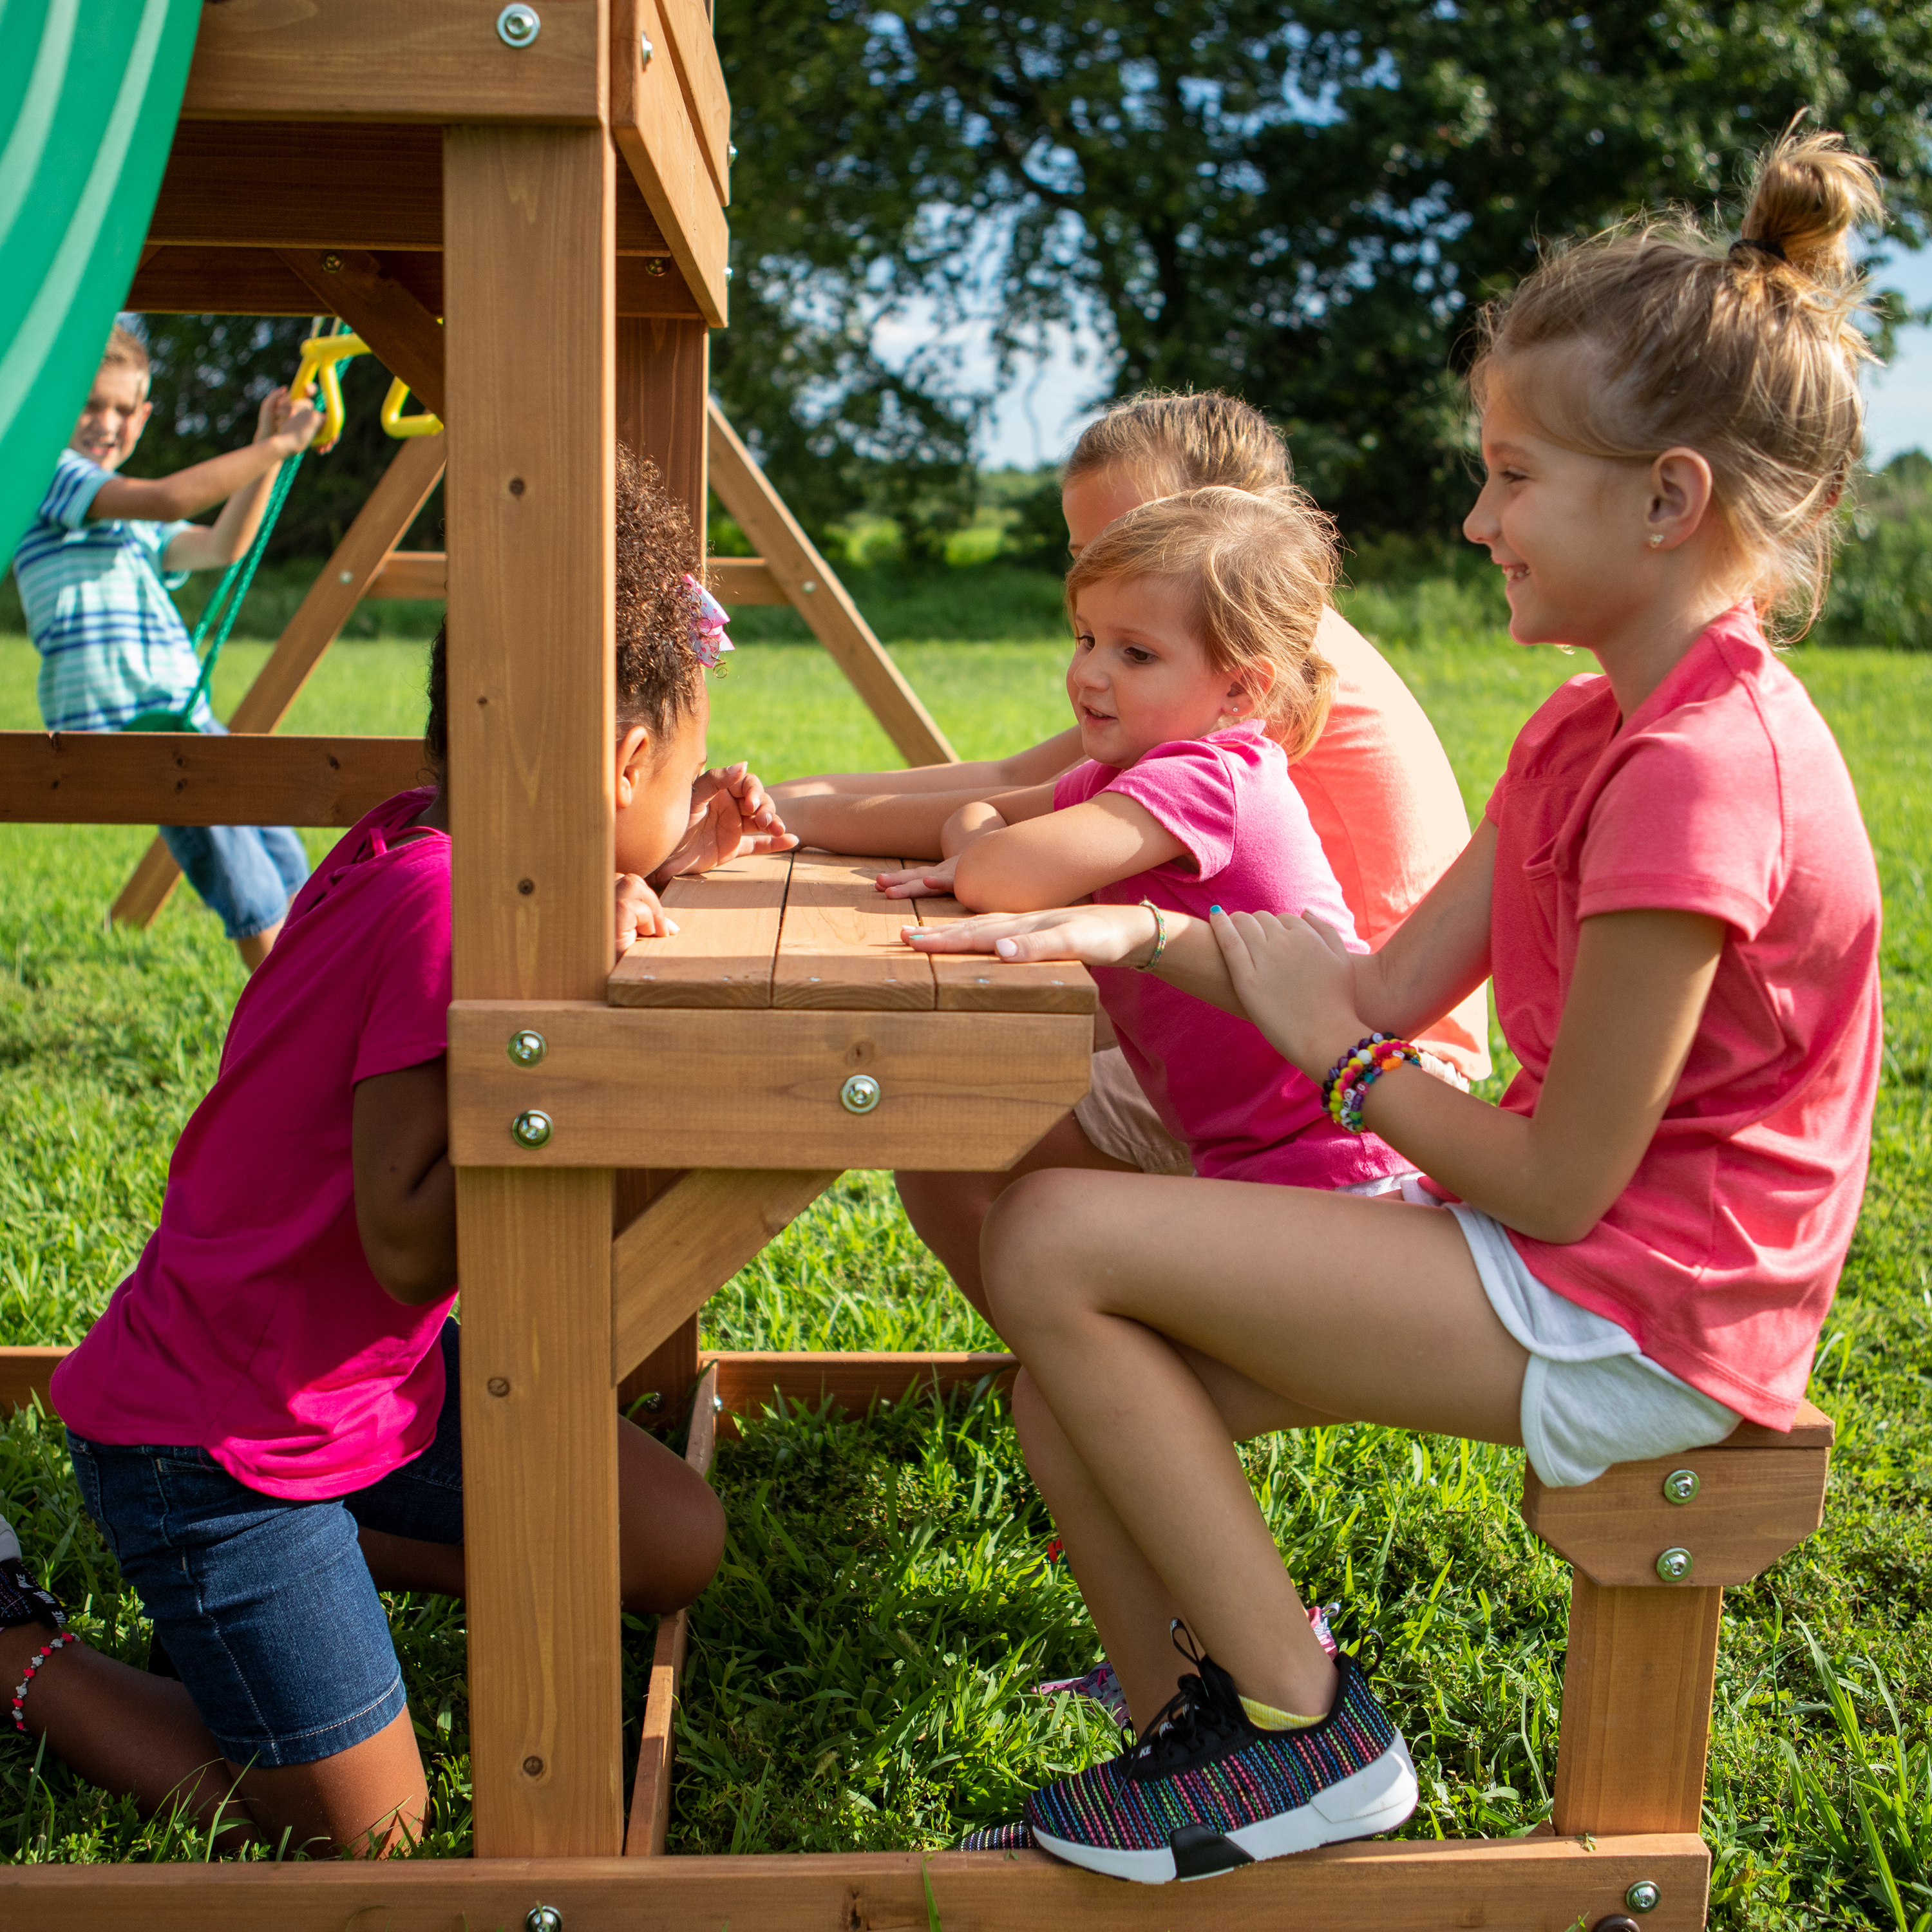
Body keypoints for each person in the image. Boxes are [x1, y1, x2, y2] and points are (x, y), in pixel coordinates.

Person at [907, 124, 1885, 1882]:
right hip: (1565, 1265)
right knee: (1064, 1369)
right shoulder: (1588, 728)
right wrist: (1129, 944)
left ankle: (1306, 1732)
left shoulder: (1702, 771)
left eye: (1513, 479)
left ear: (1666, 501)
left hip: (1644, 1315)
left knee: (1052, 1235)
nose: (1474, 518)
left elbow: (1554, 1176)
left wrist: (1348, 1066)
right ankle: (1200, 1743)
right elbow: (1367, 981)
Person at [46, 449, 792, 1857]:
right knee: (366, 1831)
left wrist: (664, 860)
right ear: (623, 758)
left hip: (360, 1388)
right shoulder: (442, 902)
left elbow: (548, 883)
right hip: (211, 1433)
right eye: (682, 774)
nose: (687, 793)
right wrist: (587, 1026)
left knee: (670, 1541)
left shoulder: (435, 832)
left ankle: (303, 1576)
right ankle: (26, 1652)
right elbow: (404, 1235)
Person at [773, 392, 1488, 1315]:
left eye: (1141, 536)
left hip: (1354, 1082)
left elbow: (996, 829)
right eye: (1085, 560)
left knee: (951, 1109)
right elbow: (1006, 787)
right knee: (978, 1060)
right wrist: (787, 806)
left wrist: (935, 830)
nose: (1110, 570)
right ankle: (1102, 1368)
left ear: (1223, 528)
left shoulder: (1229, 712)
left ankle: (1094, 1371)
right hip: (1279, 1041)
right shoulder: (1197, 664)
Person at [927, 484, 1430, 1207]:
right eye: (1086, 638)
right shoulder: (1128, 775)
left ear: (1239, 691)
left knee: (1027, 1215)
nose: (1090, 674)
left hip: (1337, 1166)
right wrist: (792, 813)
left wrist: (971, 845)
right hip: (1262, 1159)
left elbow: (992, 874)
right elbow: (981, 821)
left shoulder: (1209, 778)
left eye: (1136, 653)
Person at [11, 325, 323, 972]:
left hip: (181, 715)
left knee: (286, 860)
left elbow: (220, 545)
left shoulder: (126, 522)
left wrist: (269, 452)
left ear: (145, 415)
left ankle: (315, 988)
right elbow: (167, 496)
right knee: (244, 879)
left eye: (124, 409)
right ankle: (285, 1008)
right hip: (126, 725)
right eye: (90, 405)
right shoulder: (47, 476)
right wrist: (273, 447)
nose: (106, 423)